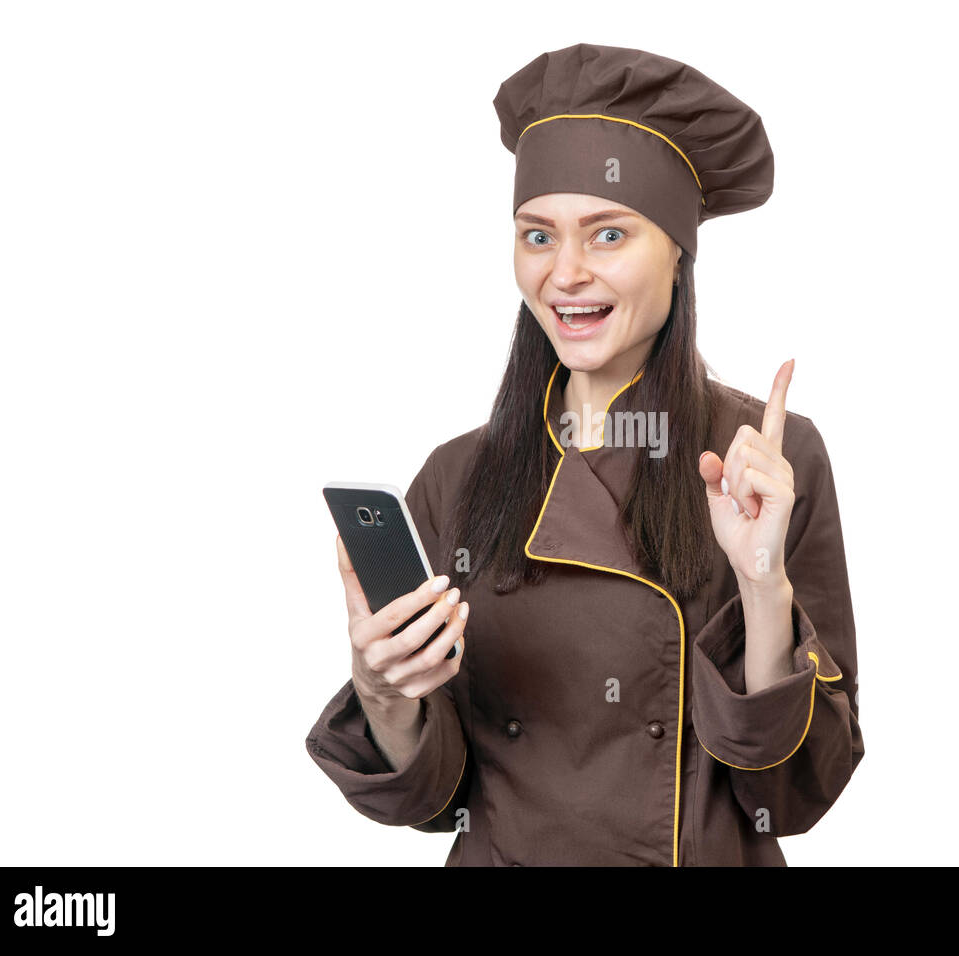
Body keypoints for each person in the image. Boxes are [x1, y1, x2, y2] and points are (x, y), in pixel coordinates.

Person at [305, 42, 865, 866]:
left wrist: (763, 590)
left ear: (677, 250)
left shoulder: (764, 462)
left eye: (607, 234)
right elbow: (433, 802)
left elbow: (790, 799)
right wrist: (386, 692)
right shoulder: (457, 479)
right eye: (538, 236)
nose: (564, 274)